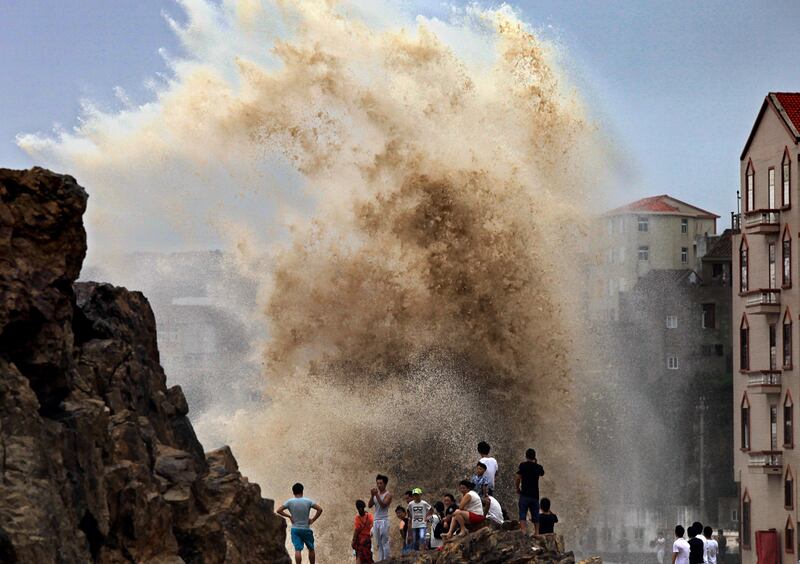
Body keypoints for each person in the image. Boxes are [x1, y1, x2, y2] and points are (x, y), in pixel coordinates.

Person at [276, 483, 323, 564]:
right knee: (311, 549)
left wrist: (289, 516)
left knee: (298, 550)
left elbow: (279, 510)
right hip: (306, 529)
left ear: (293, 492)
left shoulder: (289, 502)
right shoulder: (308, 501)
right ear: (302, 491)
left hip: (295, 529)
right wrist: (313, 520)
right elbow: (320, 509)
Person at [515, 448, 544, 533]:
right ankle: (537, 532)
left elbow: (518, 478)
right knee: (535, 514)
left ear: (526, 456)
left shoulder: (523, 465)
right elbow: (542, 473)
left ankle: (523, 531)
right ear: (534, 457)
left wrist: (517, 488)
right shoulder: (538, 467)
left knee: (522, 513)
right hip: (535, 495)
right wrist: (536, 462)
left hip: (525, 494)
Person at [368, 474, 392, 561]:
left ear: (385, 484)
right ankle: (380, 560)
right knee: (378, 543)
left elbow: (383, 505)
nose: (378, 485)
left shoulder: (388, 494)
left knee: (384, 542)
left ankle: (386, 560)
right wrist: (372, 495)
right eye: (377, 483)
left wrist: (376, 495)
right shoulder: (375, 495)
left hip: (384, 520)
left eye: (381, 483)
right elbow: (369, 505)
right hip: (376, 520)